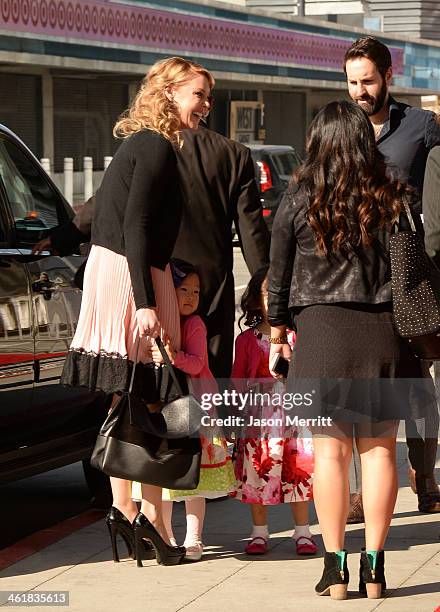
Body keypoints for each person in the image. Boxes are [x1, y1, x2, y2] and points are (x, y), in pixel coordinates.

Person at [268, 100, 435, 599]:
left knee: (330, 457)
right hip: (384, 331)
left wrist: (278, 330)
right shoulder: (394, 194)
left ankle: (335, 567)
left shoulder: (298, 197)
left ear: (317, 141)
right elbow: (414, 265)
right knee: (381, 451)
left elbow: (278, 276)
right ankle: (377, 568)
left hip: (321, 335)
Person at [60, 56, 215, 566]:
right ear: (169, 93)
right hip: (136, 276)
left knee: (133, 402)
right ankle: (145, 520)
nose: (206, 105)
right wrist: (146, 304)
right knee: (148, 403)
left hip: (127, 271)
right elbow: (135, 226)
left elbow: (96, 214)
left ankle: (131, 516)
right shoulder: (153, 145)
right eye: (199, 94)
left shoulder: (143, 144)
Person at [35, 127, 270, 380]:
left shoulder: (146, 144)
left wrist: (61, 237)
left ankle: (151, 418)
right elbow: (252, 231)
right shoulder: (233, 153)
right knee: (208, 374)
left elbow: (107, 202)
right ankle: (202, 418)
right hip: (208, 288)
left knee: (149, 375)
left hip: (153, 277)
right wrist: (267, 293)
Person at [344, 35, 440, 515]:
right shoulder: (343, 129)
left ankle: (425, 474)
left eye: (368, 81)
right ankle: (368, 486)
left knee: (419, 380)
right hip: (359, 270)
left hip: (414, 268)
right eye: (352, 83)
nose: (360, 92)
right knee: (371, 379)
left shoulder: (422, 126)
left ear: (387, 78)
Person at [135, 259, 235, 562]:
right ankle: (166, 535)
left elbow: (198, 363)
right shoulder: (161, 324)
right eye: (183, 289)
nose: (191, 297)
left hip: (197, 411)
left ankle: (194, 538)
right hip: (170, 411)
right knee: (164, 483)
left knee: (195, 480)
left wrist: (172, 356)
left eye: (196, 291)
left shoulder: (194, 324)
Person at [231, 266, 316, 557]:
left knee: (298, 472)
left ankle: (303, 531)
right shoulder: (246, 340)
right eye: (269, 294)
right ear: (256, 300)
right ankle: (259, 532)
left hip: (294, 417)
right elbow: (237, 381)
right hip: (258, 419)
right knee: (257, 471)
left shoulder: (298, 337)